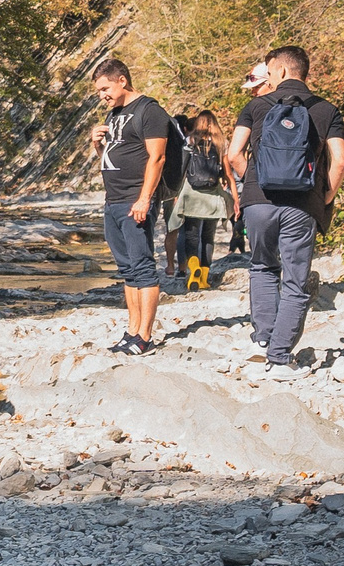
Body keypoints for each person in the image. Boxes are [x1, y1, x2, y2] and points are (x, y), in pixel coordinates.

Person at [225, 45, 344, 375]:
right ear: (304, 72)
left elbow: (234, 153)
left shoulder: (256, 105)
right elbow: (340, 161)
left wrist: (252, 182)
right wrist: (323, 197)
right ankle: (279, 358)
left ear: (278, 71)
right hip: (303, 204)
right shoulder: (327, 110)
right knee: (295, 282)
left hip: (258, 202)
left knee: (262, 267)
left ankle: (262, 340)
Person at [91, 58, 171, 354]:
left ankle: (145, 337)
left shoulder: (149, 110)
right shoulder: (114, 114)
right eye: (99, 91)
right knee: (128, 271)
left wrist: (144, 198)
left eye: (105, 88)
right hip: (113, 200)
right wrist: (97, 145)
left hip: (134, 200)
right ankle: (131, 331)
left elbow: (157, 158)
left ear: (122, 80)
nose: (102, 95)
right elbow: (111, 158)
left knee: (143, 268)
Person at [171, 109, 236, 285]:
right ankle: (204, 278)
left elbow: (182, 169)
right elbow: (229, 175)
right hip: (212, 194)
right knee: (208, 237)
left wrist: (176, 194)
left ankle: (194, 269)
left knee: (191, 236)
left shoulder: (190, 140)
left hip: (192, 194)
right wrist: (236, 200)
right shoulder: (222, 143)